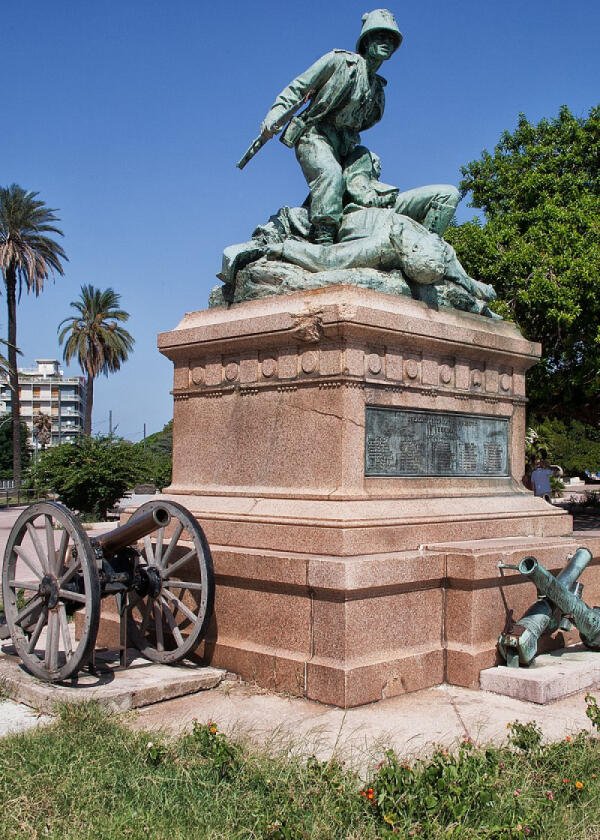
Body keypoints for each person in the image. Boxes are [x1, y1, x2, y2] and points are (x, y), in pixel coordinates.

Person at [259, 9, 402, 244]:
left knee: (367, 167)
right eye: (380, 36)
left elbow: (365, 123)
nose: (386, 42)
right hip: (315, 134)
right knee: (331, 174)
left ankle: (306, 222)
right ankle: (324, 241)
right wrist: (274, 115)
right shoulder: (339, 61)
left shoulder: (377, 90)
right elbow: (299, 87)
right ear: (367, 40)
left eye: (391, 39)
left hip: (344, 144)